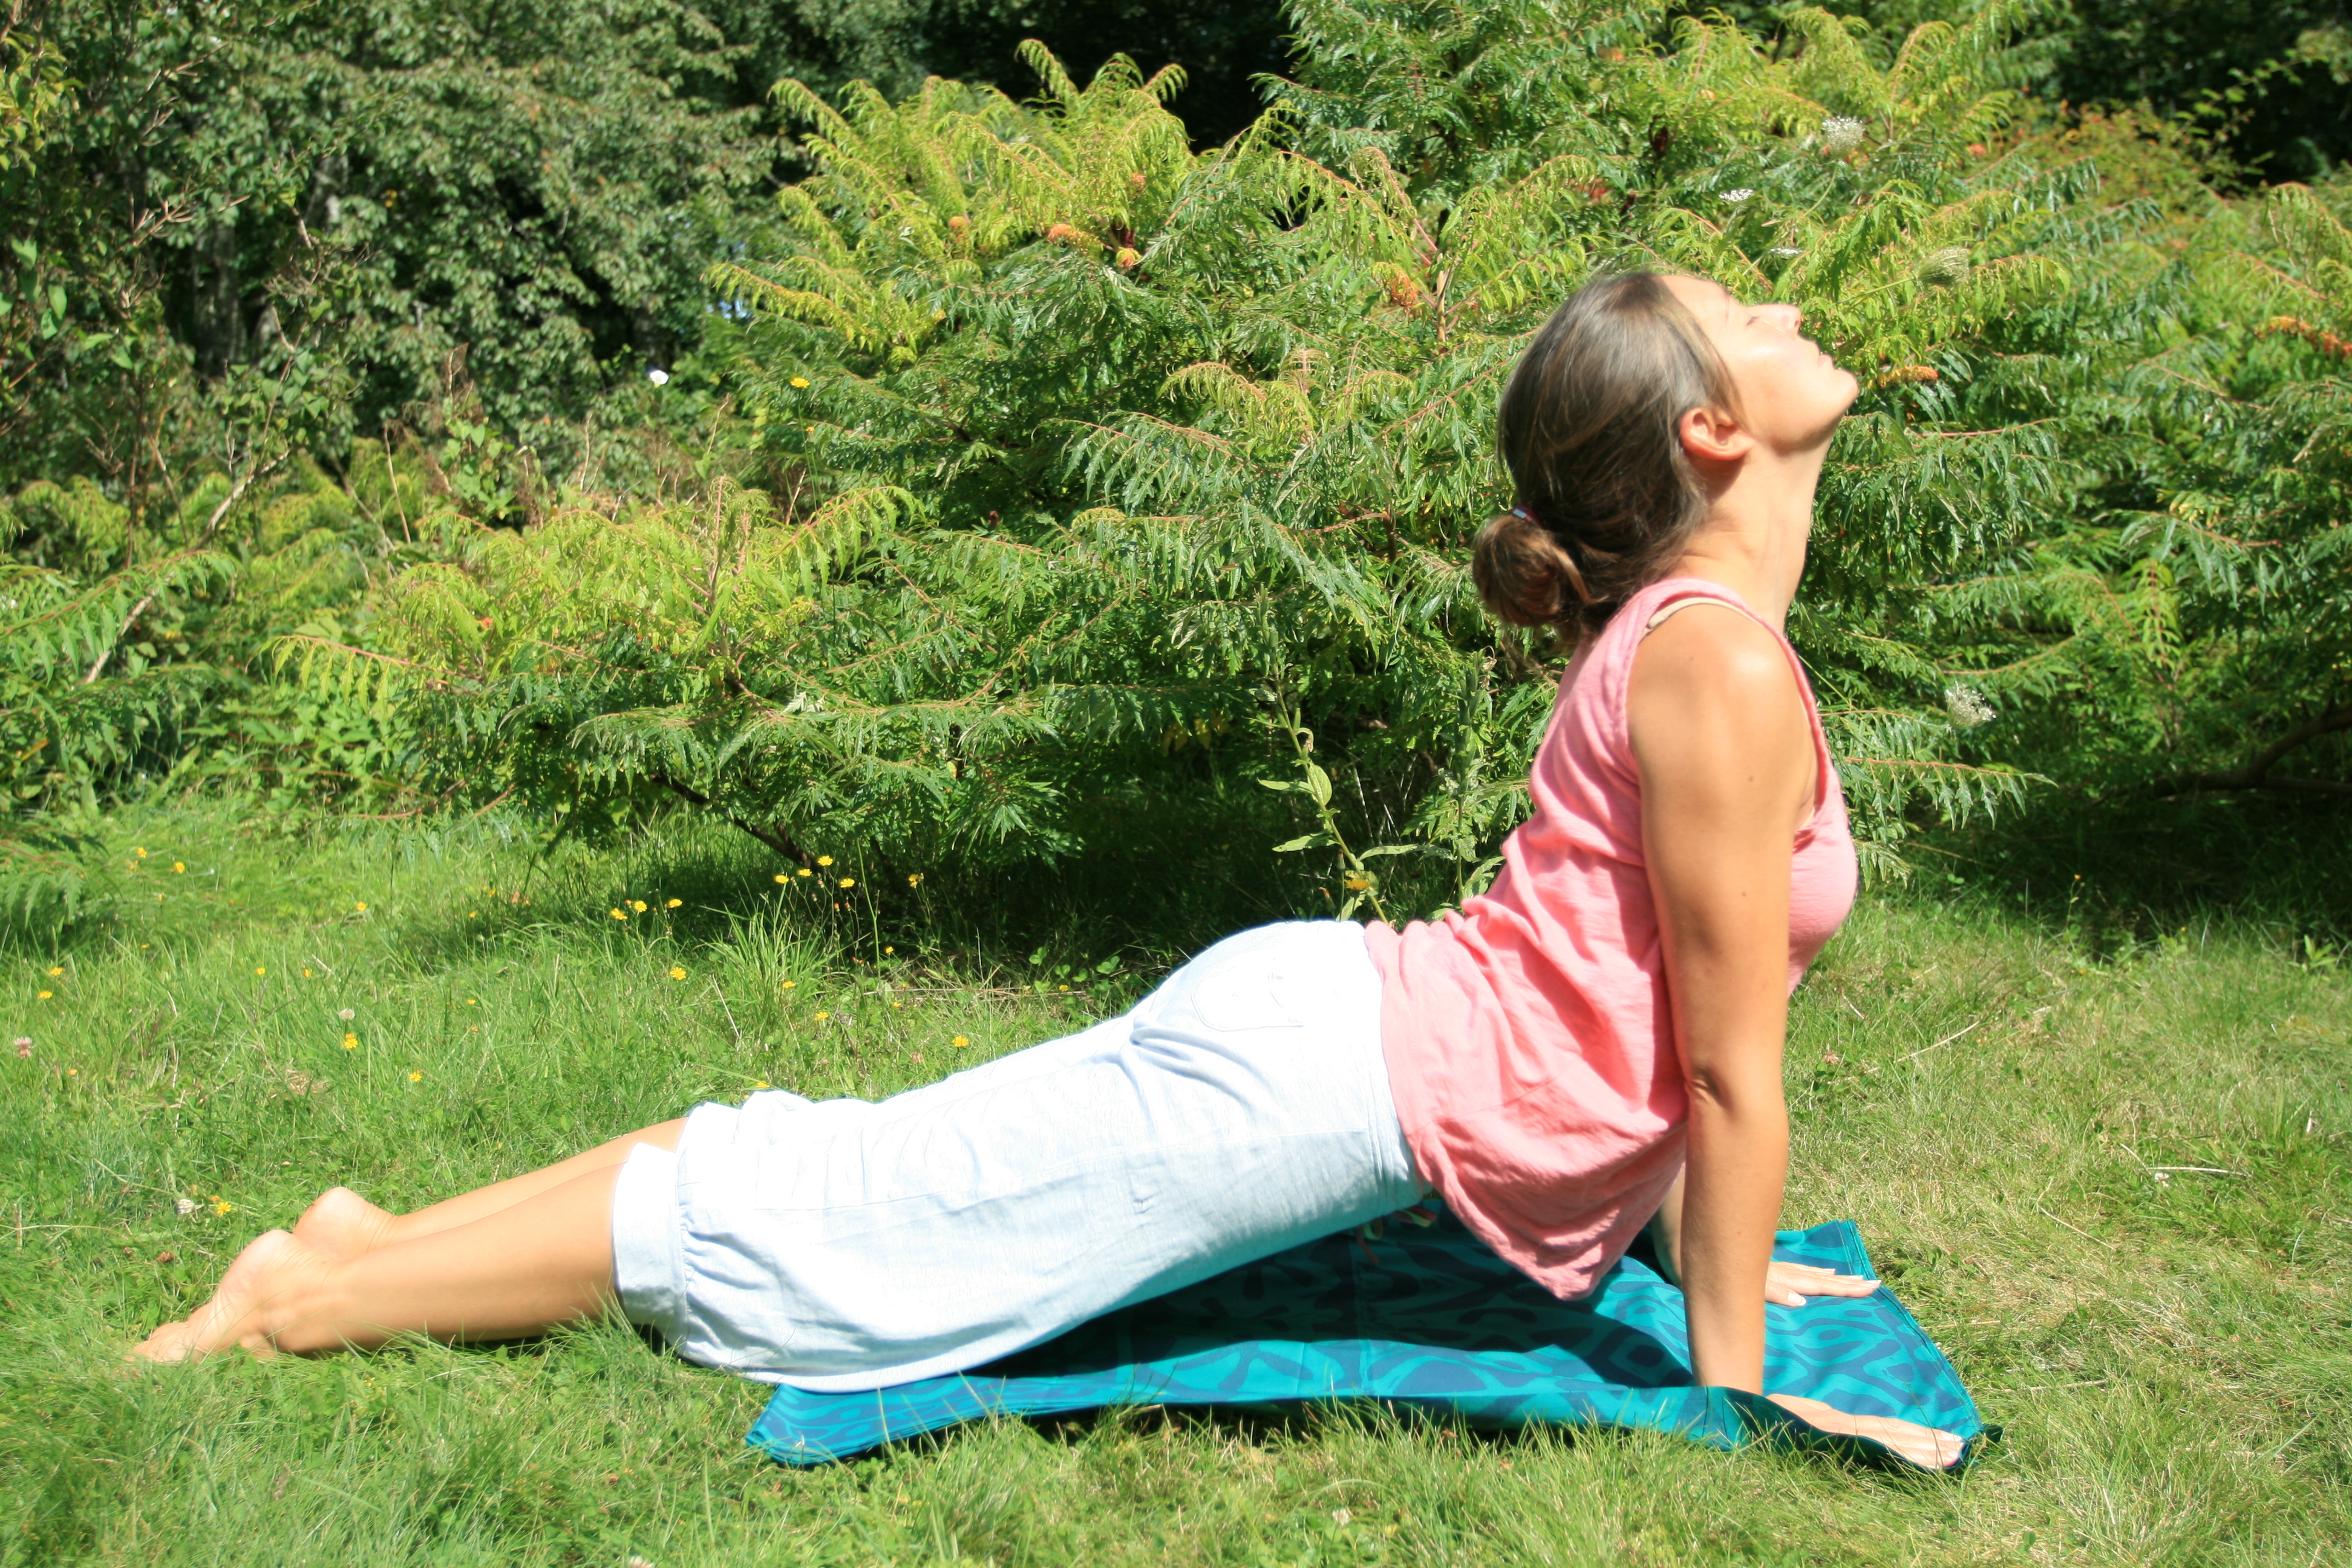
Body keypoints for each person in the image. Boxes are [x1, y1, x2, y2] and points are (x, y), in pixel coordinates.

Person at [134, 271, 1962, 1469]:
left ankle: (373, 1241)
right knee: (841, 1248)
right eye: (1743, 309)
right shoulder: (1713, 654)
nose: (1786, 304)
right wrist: (1731, 1395)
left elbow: (1632, 997)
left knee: (856, 1170)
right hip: (1325, 1082)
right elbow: (1718, 1067)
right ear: (1713, 433)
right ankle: (302, 1302)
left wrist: (1696, 1269)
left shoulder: (1701, 640)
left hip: (1346, 1048)